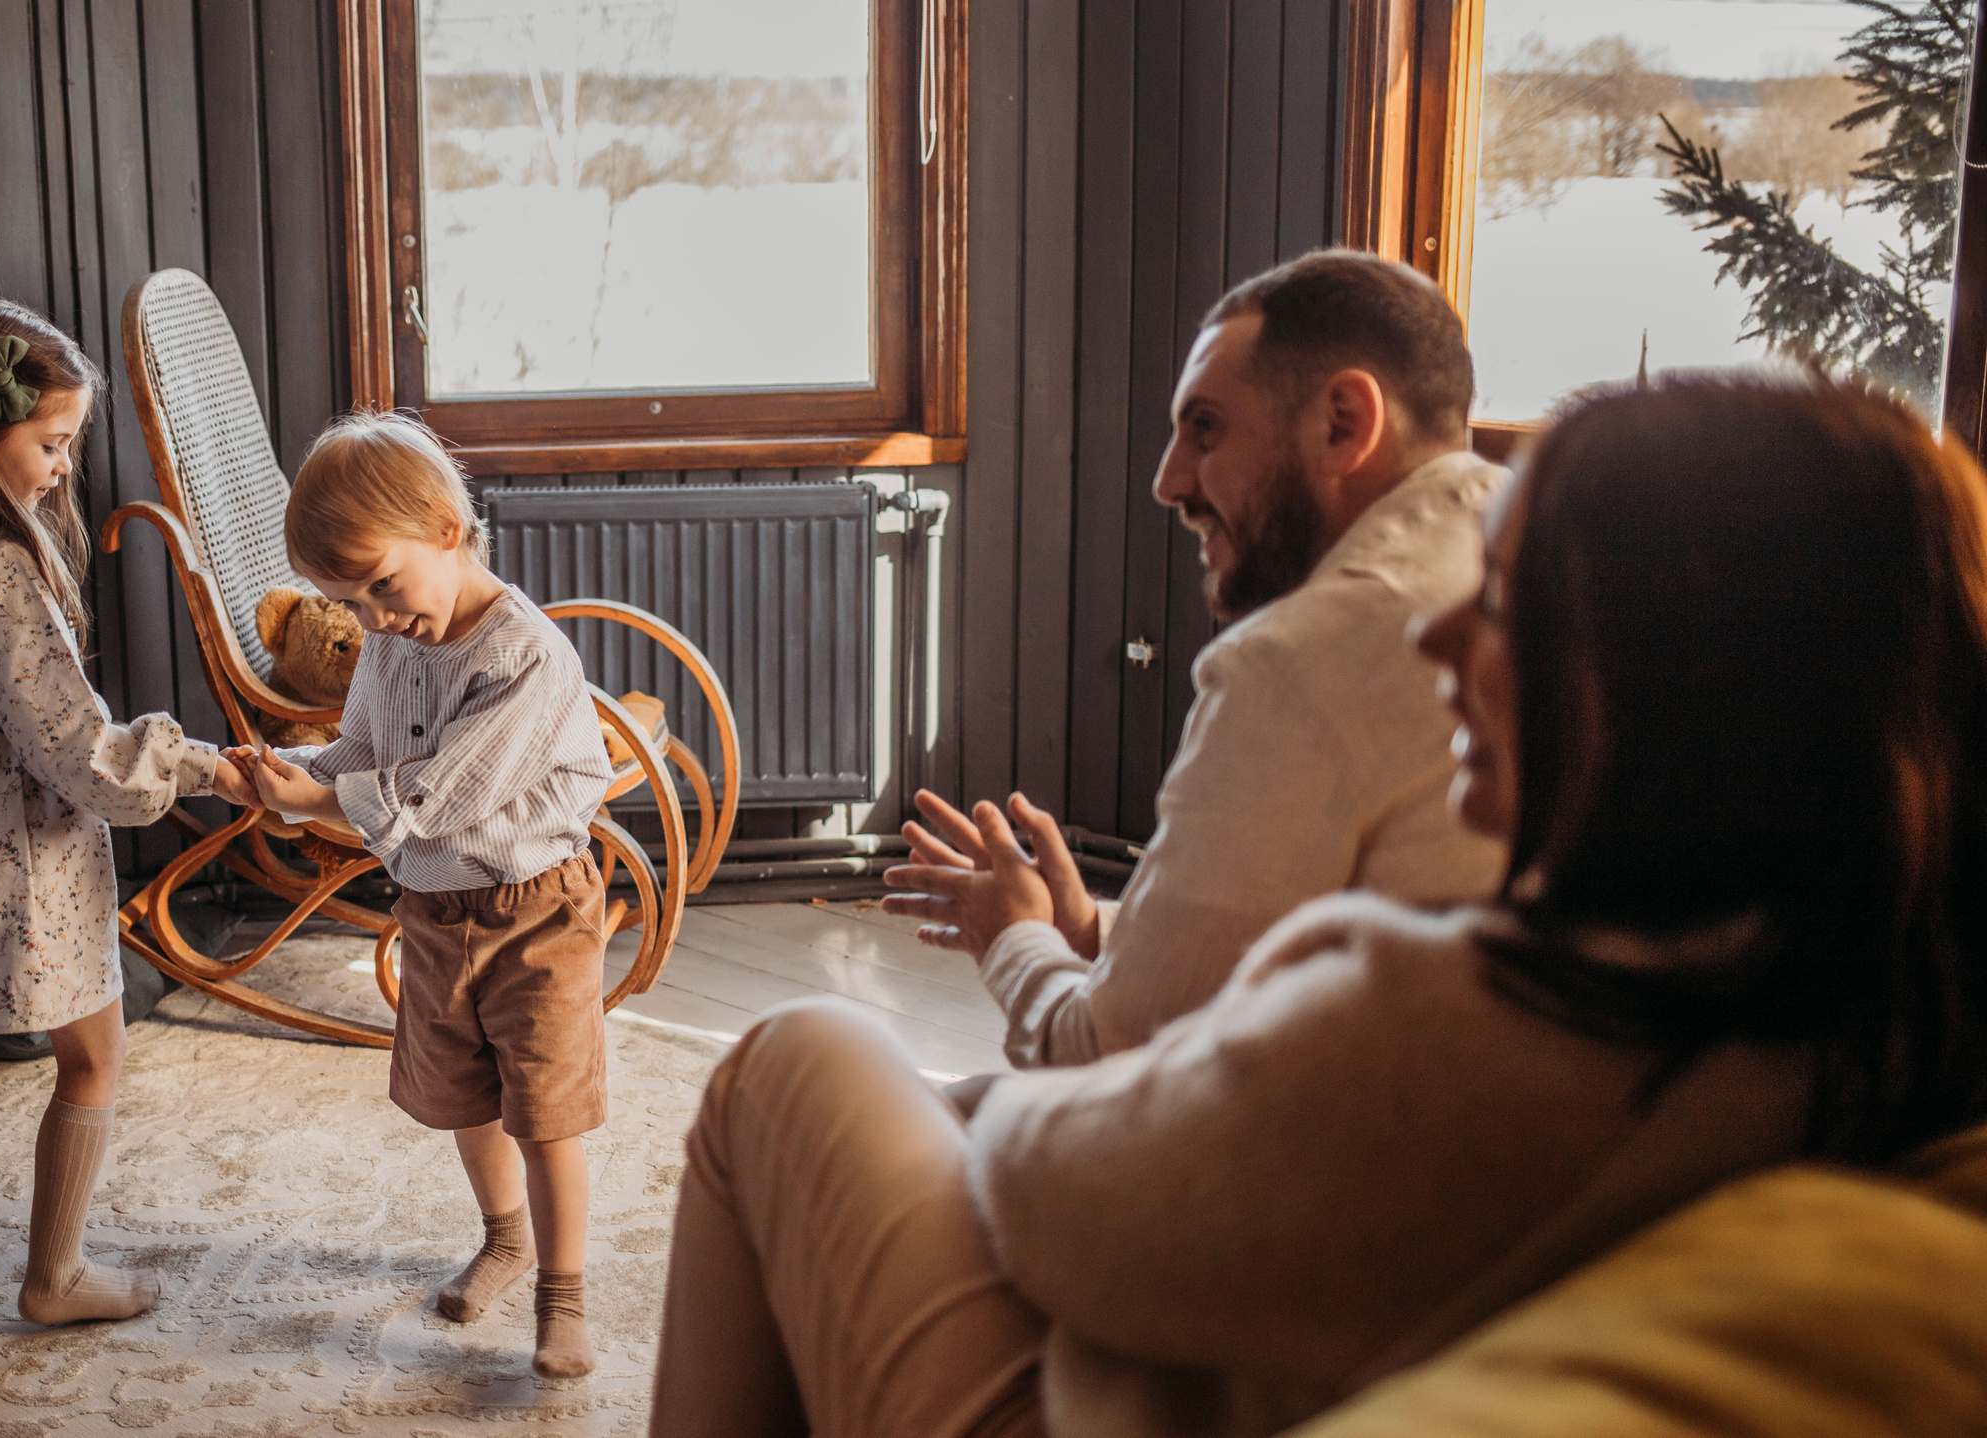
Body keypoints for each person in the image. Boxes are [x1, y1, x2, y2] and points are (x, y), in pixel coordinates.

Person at [648, 372, 1987, 1438]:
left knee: (798, 1055)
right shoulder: (1875, 1006)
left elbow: (1061, 1189)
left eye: (1506, 604)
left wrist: (1024, 950)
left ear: (1680, 684)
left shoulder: (1454, 1011)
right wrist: (1100, 942)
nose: (1438, 640)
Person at [890, 250, 1508, 1068]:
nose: (1167, 480)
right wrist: (1091, 932)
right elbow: (1308, 939)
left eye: (1205, 428)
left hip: (1326, 1165)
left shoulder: (1300, 658)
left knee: (787, 1066)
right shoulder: (1521, 548)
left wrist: (1012, 936)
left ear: (1343, 423)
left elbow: (1103, 1053)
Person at [0, 298, 265, 1402]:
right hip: (16, 869)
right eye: (54, 442)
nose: (66, 470)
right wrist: (205, 766)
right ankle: (56, 1272)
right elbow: (83, 755)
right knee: (95, 1056)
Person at [229, 411, 618, 1379]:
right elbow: (361, 750)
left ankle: (561, 1290)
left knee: (545, 1106)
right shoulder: (391, 639)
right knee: (463, 1096)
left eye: (381, 587)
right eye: (347, 602)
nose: (371, 619)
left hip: (535, 910)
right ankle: (504, 1234)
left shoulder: (522, 655)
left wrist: (322, 799)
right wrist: (289, 776)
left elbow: (444, 792)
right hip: (435, 911)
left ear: (447, 529)